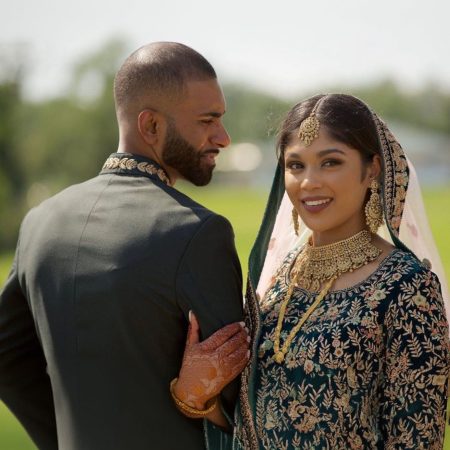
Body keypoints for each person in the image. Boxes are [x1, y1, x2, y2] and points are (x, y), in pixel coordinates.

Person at [0, 42, 249, 450]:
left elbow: (6, 357)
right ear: (151, 126)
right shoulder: (198, 232)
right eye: (208, 120)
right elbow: (245, 402)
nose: (222, 137)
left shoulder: (38, 222)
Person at [176, 94, 450, 449]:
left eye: (330, 162)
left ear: (373, 169)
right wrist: (195, 395)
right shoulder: (278, 278)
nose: (308, 183)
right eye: (295, 166)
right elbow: (250, 423)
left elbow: (416, 438)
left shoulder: (407, 287)